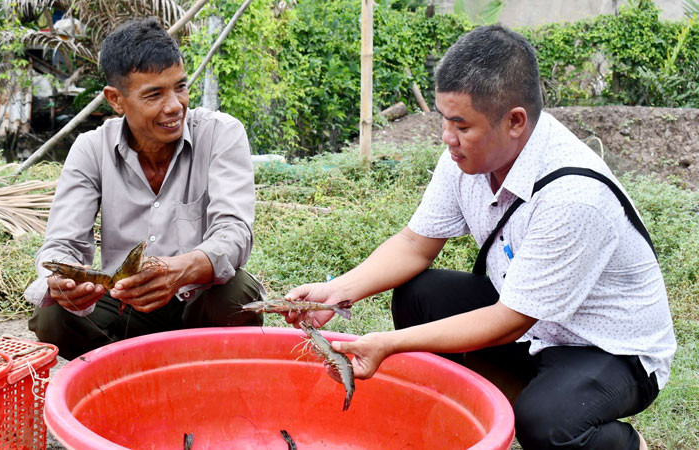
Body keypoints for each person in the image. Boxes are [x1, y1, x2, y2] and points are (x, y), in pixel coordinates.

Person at [284, 25, 675, 450]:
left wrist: (389, 344)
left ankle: (625, 443)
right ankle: (488, 406)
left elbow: (510, 319)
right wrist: (334, 293)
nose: (447, 139)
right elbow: (416, 244)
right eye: (444, 121)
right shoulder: (465, 158)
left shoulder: (575, 197)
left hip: (605, 346)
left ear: (514, 122)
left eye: (461, 125)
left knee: (548, 425)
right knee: (417, 294)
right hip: (532, 321)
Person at [25, 18, 263, 361]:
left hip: (196, 297)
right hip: (125, 303)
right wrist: (67, 286)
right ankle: (126, 373)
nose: (174, 106)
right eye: (154, 94)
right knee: (50, 315)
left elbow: (235, 232)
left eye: (180, 87)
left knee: (237, 292)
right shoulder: (91, 149)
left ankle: (205, 369)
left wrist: (179, 271)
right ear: (115, 100)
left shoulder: (220, 134)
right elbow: (62, 244)